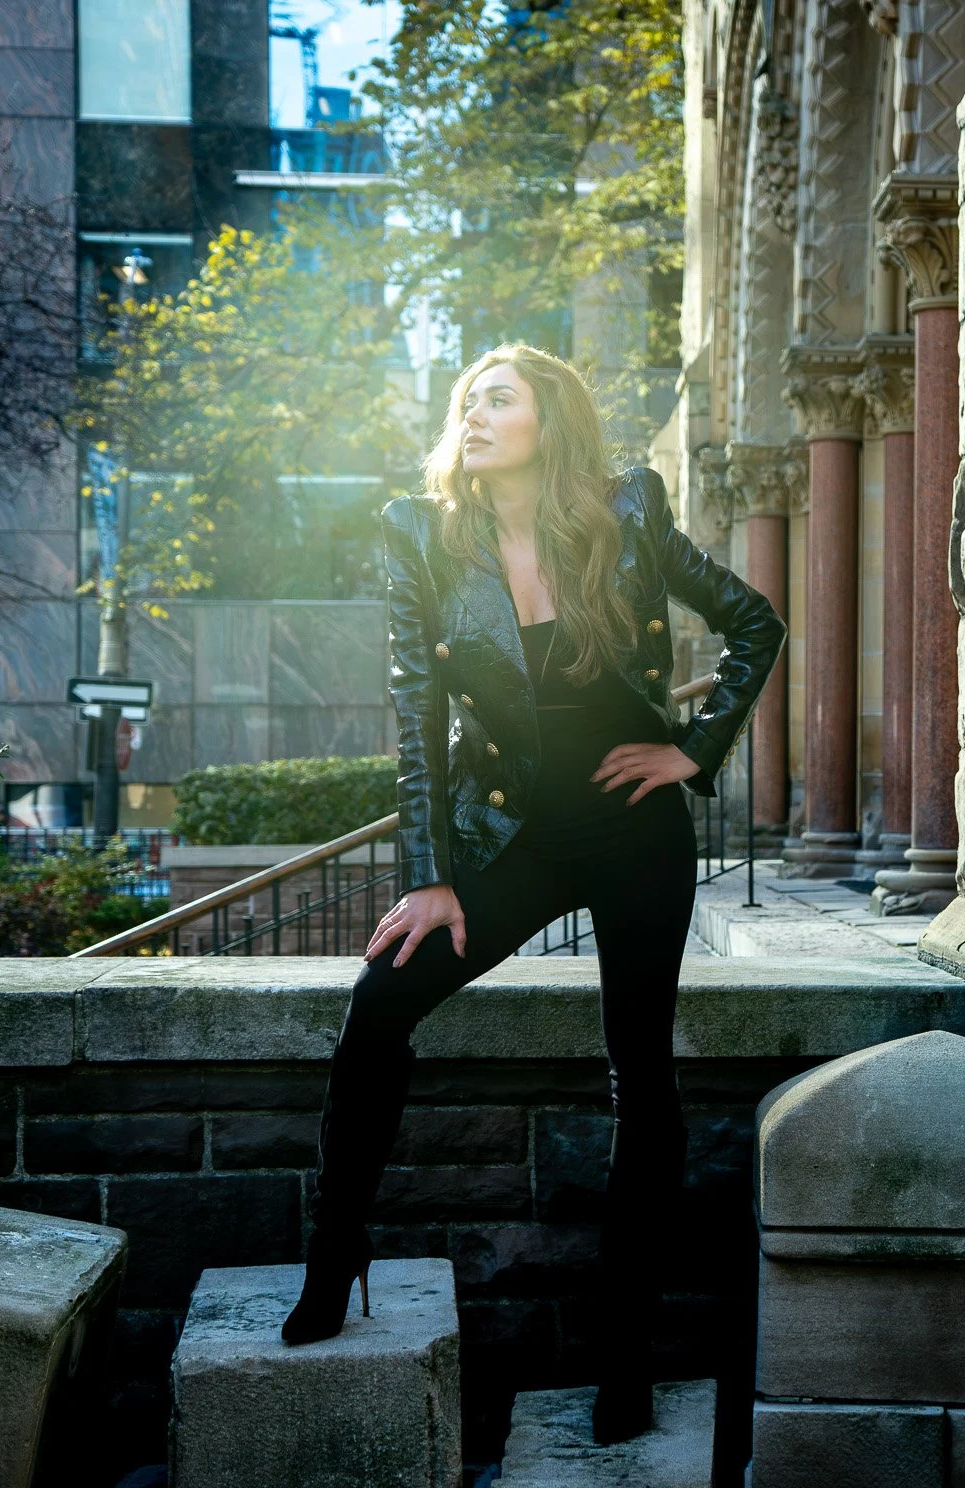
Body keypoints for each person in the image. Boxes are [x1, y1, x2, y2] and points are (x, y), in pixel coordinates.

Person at [279, 344, 784, 1449]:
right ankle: (332, 1259)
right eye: (464, 400)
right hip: (508, 835)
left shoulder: (628, 510)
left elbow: (755, 622)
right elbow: (412, 712)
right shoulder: (419, 533)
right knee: (380, 1004)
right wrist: (427, 875)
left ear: (547, 420)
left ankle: (624, 1359)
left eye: (495, 398)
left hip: (634, 833)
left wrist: (693, 753)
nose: (471, 413)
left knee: (641, 1082)